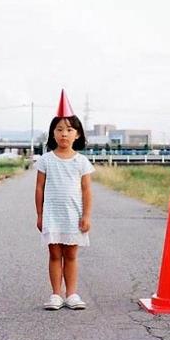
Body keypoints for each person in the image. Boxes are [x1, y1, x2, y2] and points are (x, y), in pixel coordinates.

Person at [34, 89, 95, 310]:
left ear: (77, 134)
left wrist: (86, 215)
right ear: (52, 134)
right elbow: (39, 188)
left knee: (71, 254)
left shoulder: (82, 162)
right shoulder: (46, 160)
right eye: (59, 129)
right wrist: (39, 215)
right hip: (52, 215)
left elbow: (87, 191)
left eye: (69, 129)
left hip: (73, 216)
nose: (64, 134)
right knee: (54, 254)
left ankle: (72, 294)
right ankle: (56, 295)